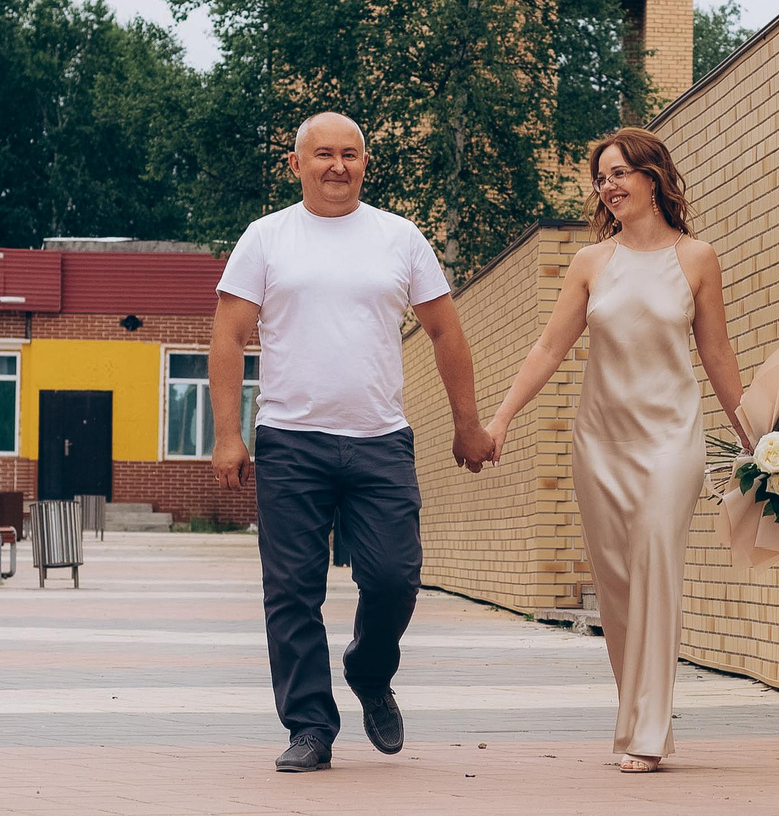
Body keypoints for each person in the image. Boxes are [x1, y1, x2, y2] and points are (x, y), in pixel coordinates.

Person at [212, 112, 492, 772]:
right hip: (291, 441)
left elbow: (446, 333)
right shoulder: (266, 238)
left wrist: (467, 423)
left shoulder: (398, 238)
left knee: (396, 576)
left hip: (379, 441)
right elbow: (227, 337)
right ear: (296, 164)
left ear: (366, 162)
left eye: (351, 154)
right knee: (291, 590)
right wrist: (228, 436)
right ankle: (310, 723)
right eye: (323, 154)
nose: (338, 165)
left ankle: (369, 669)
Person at [484, 129, 742, 772]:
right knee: (618, 584)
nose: (610, 186)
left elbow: (716, 355)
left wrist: (755, 439)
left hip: (671, 440)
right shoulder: (591, 263)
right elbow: (549, 348)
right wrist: (501, 419)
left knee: (656, 563)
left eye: (622, 173)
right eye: (602, 177)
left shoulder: (698, 258)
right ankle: (636, 717)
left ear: (654, 179)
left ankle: (650, 731)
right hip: (600, 441)